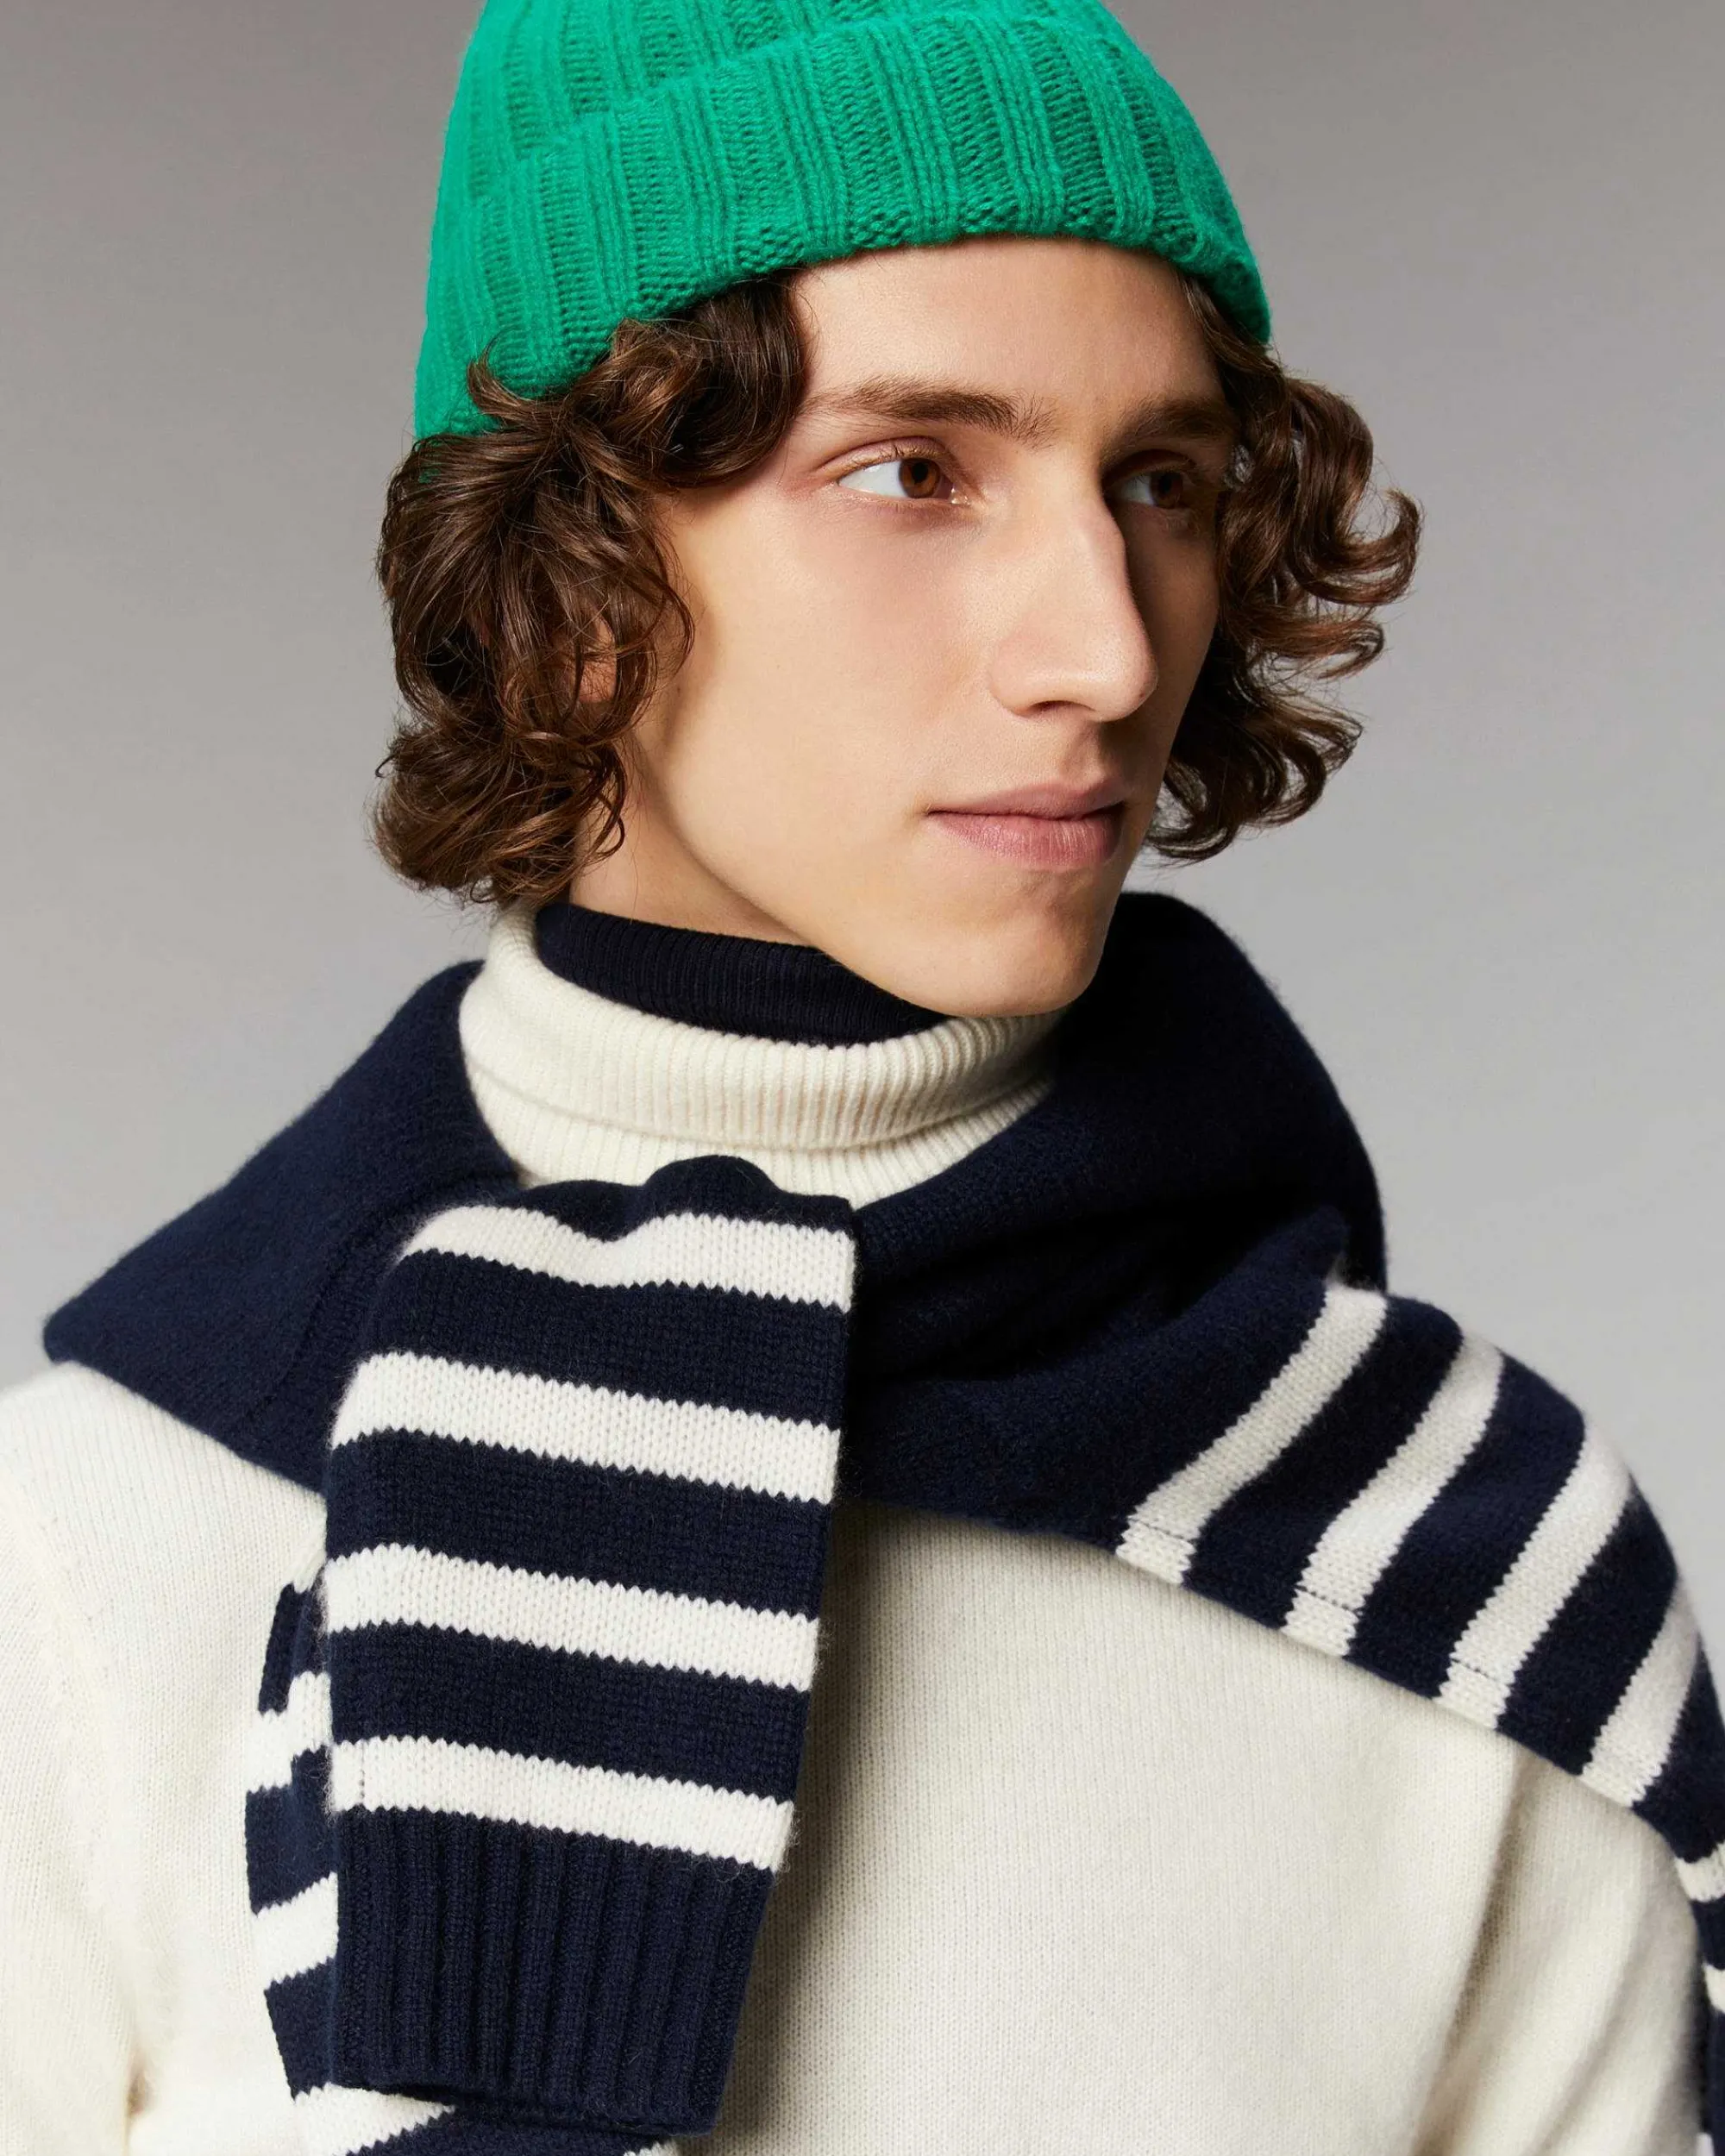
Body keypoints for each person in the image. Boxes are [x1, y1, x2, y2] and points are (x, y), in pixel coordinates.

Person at [2, 2, 1717, 2152]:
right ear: (564, 566)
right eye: (912, 471)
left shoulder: (1464, 1586)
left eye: (1160, 482)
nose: (1103, 647)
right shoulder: (91, 1560)